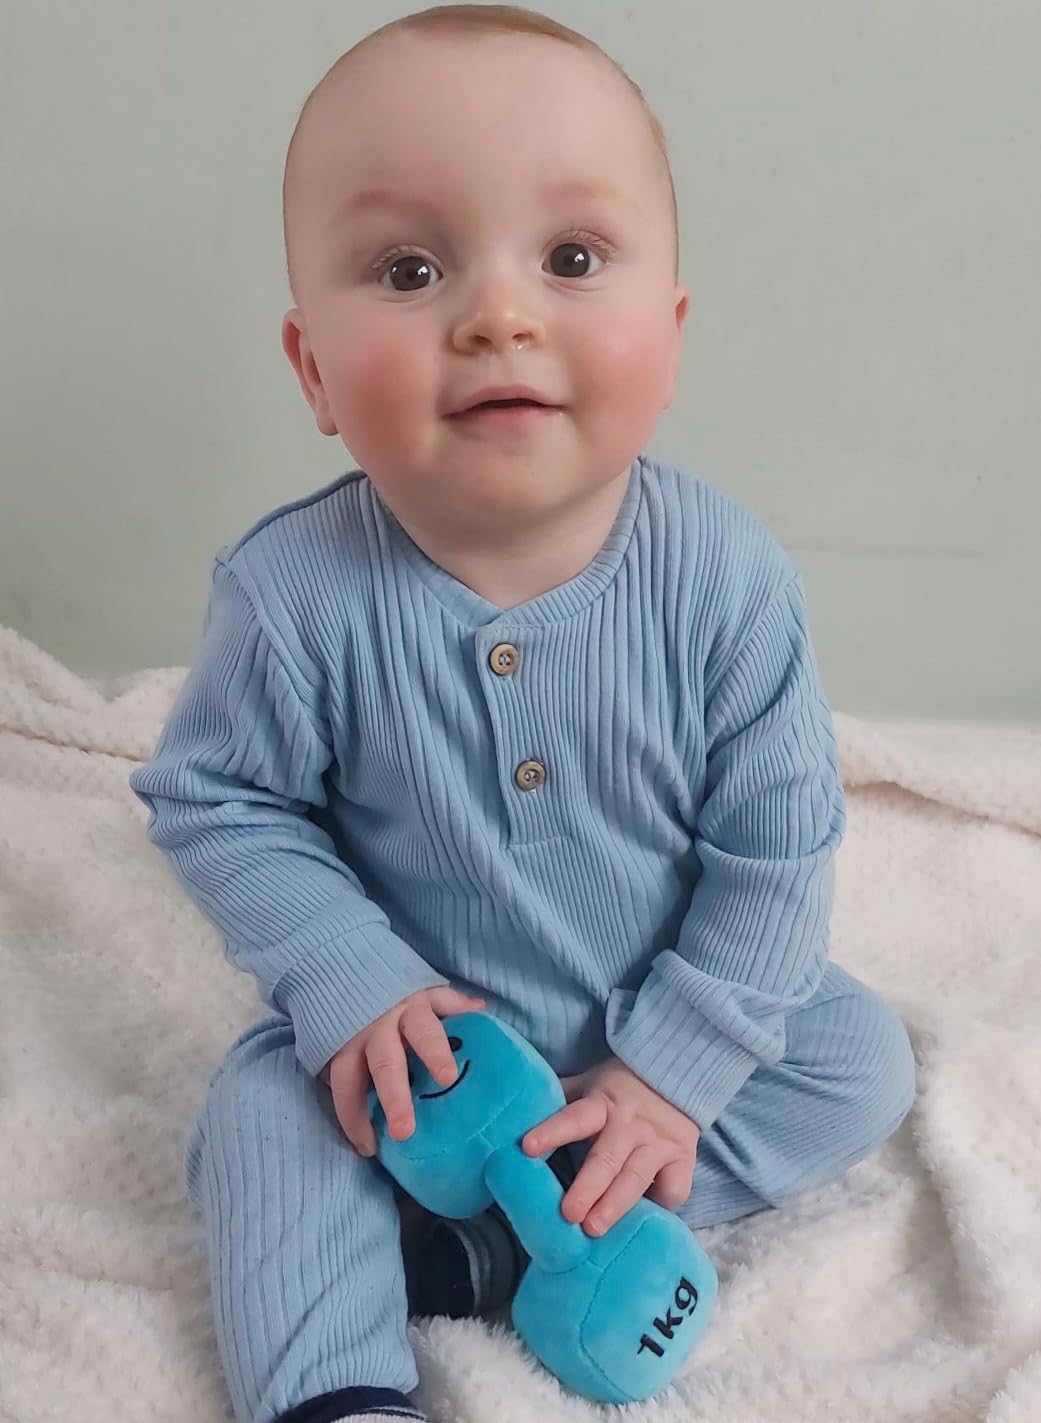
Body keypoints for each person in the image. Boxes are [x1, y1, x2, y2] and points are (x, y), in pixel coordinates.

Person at [129, 7, 917, 1422]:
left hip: (651, 994)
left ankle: (495, 1235)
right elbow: (217, 798)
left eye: (569, 259)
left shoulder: (723, 579)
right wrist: (344, 974)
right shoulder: (294, 592)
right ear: (312, 369)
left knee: (859, 1065)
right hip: (420, 1055)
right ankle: (341, 1386)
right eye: (410, 268)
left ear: (666, 342)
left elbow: (777, 853)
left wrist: (669, 1077)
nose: (497, 314)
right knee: (258, 1123)